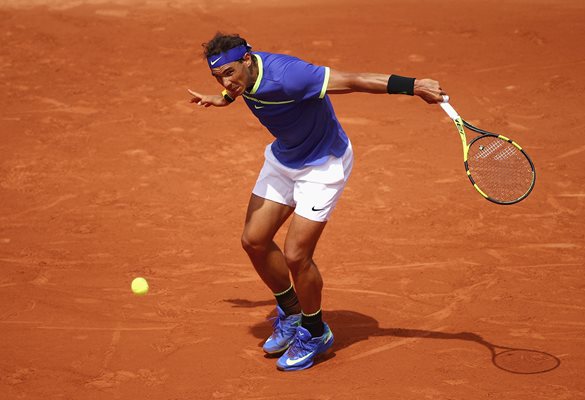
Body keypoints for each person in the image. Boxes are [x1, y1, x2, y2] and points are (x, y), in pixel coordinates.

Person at [188, 32, 445, 371]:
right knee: (253, 240)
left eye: (230, 73)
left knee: (296, 254)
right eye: (219, 76)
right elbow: (240, 86)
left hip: (324, 164)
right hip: (284, 158)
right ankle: (292, 312)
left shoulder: (291, 75)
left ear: (247, 60)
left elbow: (353, 80)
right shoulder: (240, 77)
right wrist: (224, 97)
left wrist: (413, 85)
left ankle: (314, 331)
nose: (226, 81)